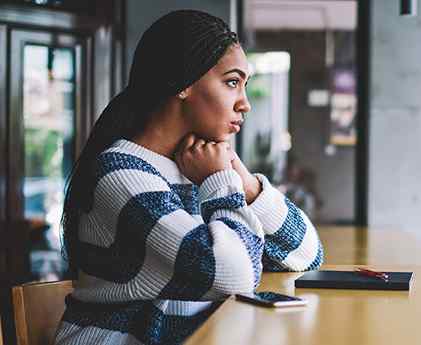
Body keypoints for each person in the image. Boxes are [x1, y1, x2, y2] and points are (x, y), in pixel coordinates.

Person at [54, 10, 323, 345]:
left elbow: (306, 254)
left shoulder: (197, 167)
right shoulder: (121, 174)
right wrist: (221, 182)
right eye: (232, 82)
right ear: (183, 83)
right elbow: (234, 276)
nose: (245, 104)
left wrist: (246, 183)